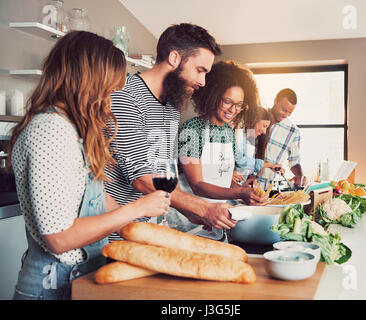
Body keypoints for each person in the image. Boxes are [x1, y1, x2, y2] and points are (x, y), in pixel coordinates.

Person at [8, 31, 170, 300]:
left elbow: (94, 195)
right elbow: (58, 238)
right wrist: (137, 208)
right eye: (110, 85)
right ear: (87, 79)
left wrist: (143, 235)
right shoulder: (50, 131)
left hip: (83, 278)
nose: (114, 93)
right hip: (52, 287)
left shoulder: (71, 128)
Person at [105, 23, 236, 239]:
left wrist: (189, 210)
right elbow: (143, 178)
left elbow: (162, 174)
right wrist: (202, 208)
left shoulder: (172, 105)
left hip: (142, 231)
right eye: (200, 70)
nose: (202, 82)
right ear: (174, 58)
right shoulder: (124, 97)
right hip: (108, 236)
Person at [178, 60, 267, 206]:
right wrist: (239, 193)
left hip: (216, 214)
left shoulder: (228, 133)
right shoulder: (192, 129)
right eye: (227, 101)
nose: (233, 110)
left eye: (239, 105)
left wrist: (244, 190)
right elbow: (197, 185)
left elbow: (222, 179)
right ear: (213, 96)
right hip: (189, 218)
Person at [256, 88, 304, 187]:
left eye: (290, 112)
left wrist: (299, 175)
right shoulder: (257, 117)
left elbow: (294, 160)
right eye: (283, 110)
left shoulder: (293, 131)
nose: (285, 115)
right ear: (275, 101)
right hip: (247, 180)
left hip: (269, 186)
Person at [232, 106, 284, 186]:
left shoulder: (250, 140)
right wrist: (270, 165)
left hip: (237, 188)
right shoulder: (238, 136)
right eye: (264, 126)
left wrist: (247, 181)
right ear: (254, 121)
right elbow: (242, 161)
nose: (264, 131)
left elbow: (245, 168)